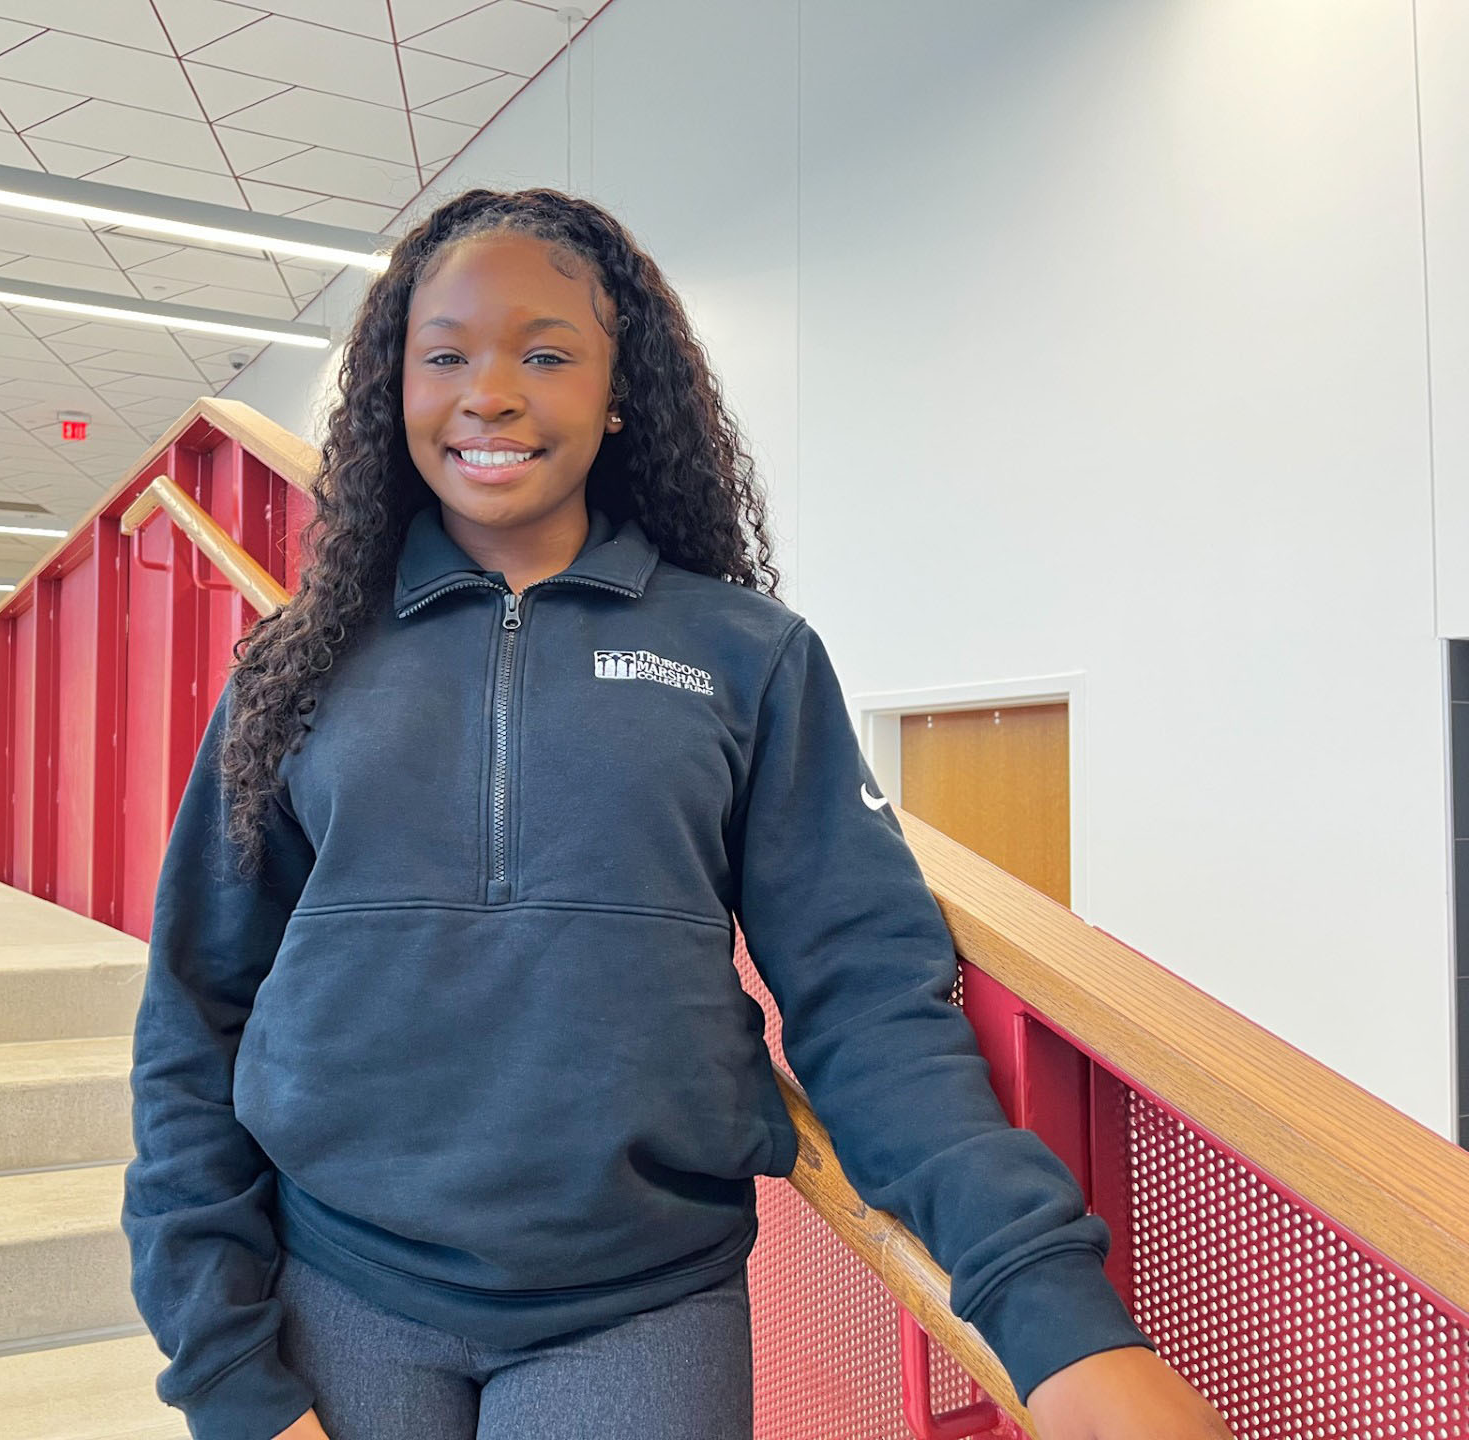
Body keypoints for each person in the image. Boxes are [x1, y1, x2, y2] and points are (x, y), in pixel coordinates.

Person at [122, 187, 1235, 1440]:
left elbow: (865, 997)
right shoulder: (298, 664)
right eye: (445, 356)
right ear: (395, 389)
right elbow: (194, 1013)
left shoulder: (745, 655)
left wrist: (1056, 1322)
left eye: (545, 353)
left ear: (618, 390)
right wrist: (224, 1363)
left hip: (637, 1310)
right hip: (338, 1284)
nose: (488, 393)